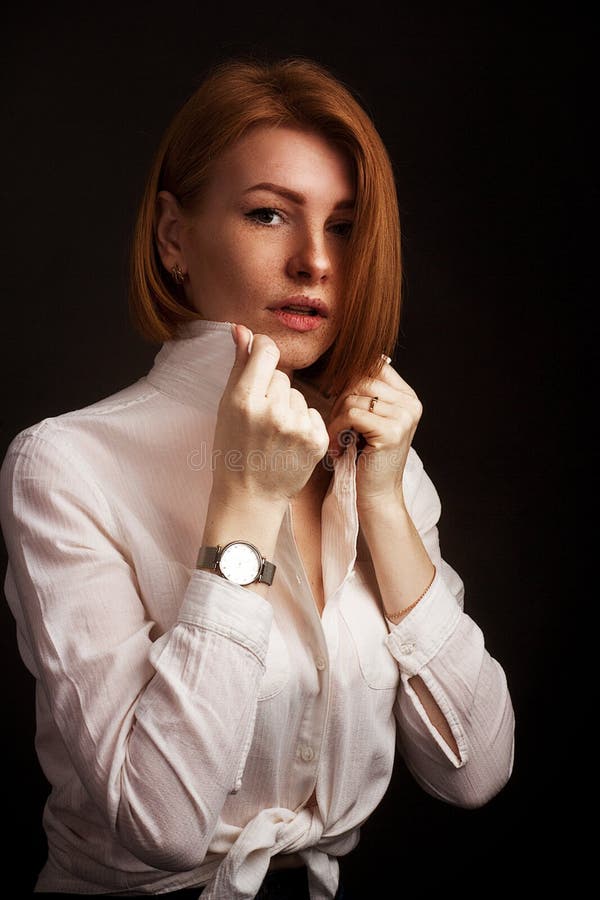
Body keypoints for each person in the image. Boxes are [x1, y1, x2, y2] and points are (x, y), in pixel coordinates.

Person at [0, 57, 515, 899]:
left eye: (344, 226)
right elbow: (158, 823)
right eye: (270, 213)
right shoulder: (65, 466)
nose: (316, 261)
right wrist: (242, 507)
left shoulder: (378, 458)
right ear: (174, 237)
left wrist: (382, 503)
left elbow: (478, 771)